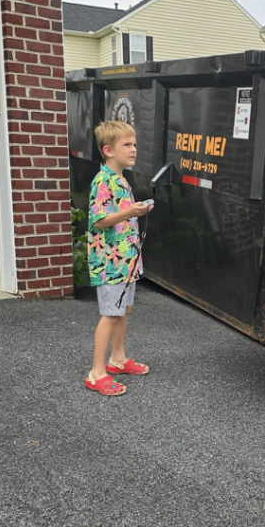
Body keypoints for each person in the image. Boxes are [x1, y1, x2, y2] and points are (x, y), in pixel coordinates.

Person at [85, 120, 153, 396]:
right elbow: (99, 220)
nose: (133, 149)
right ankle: (96, 373)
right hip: (110, 263)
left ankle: (118, 359)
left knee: (123, 310)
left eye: (134, 143)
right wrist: (130, 213)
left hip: (126, 260)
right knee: (109, 315)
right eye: (127, 144)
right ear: (108, 150)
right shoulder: (103, 181)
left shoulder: (120, 178)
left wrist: (135, 211)